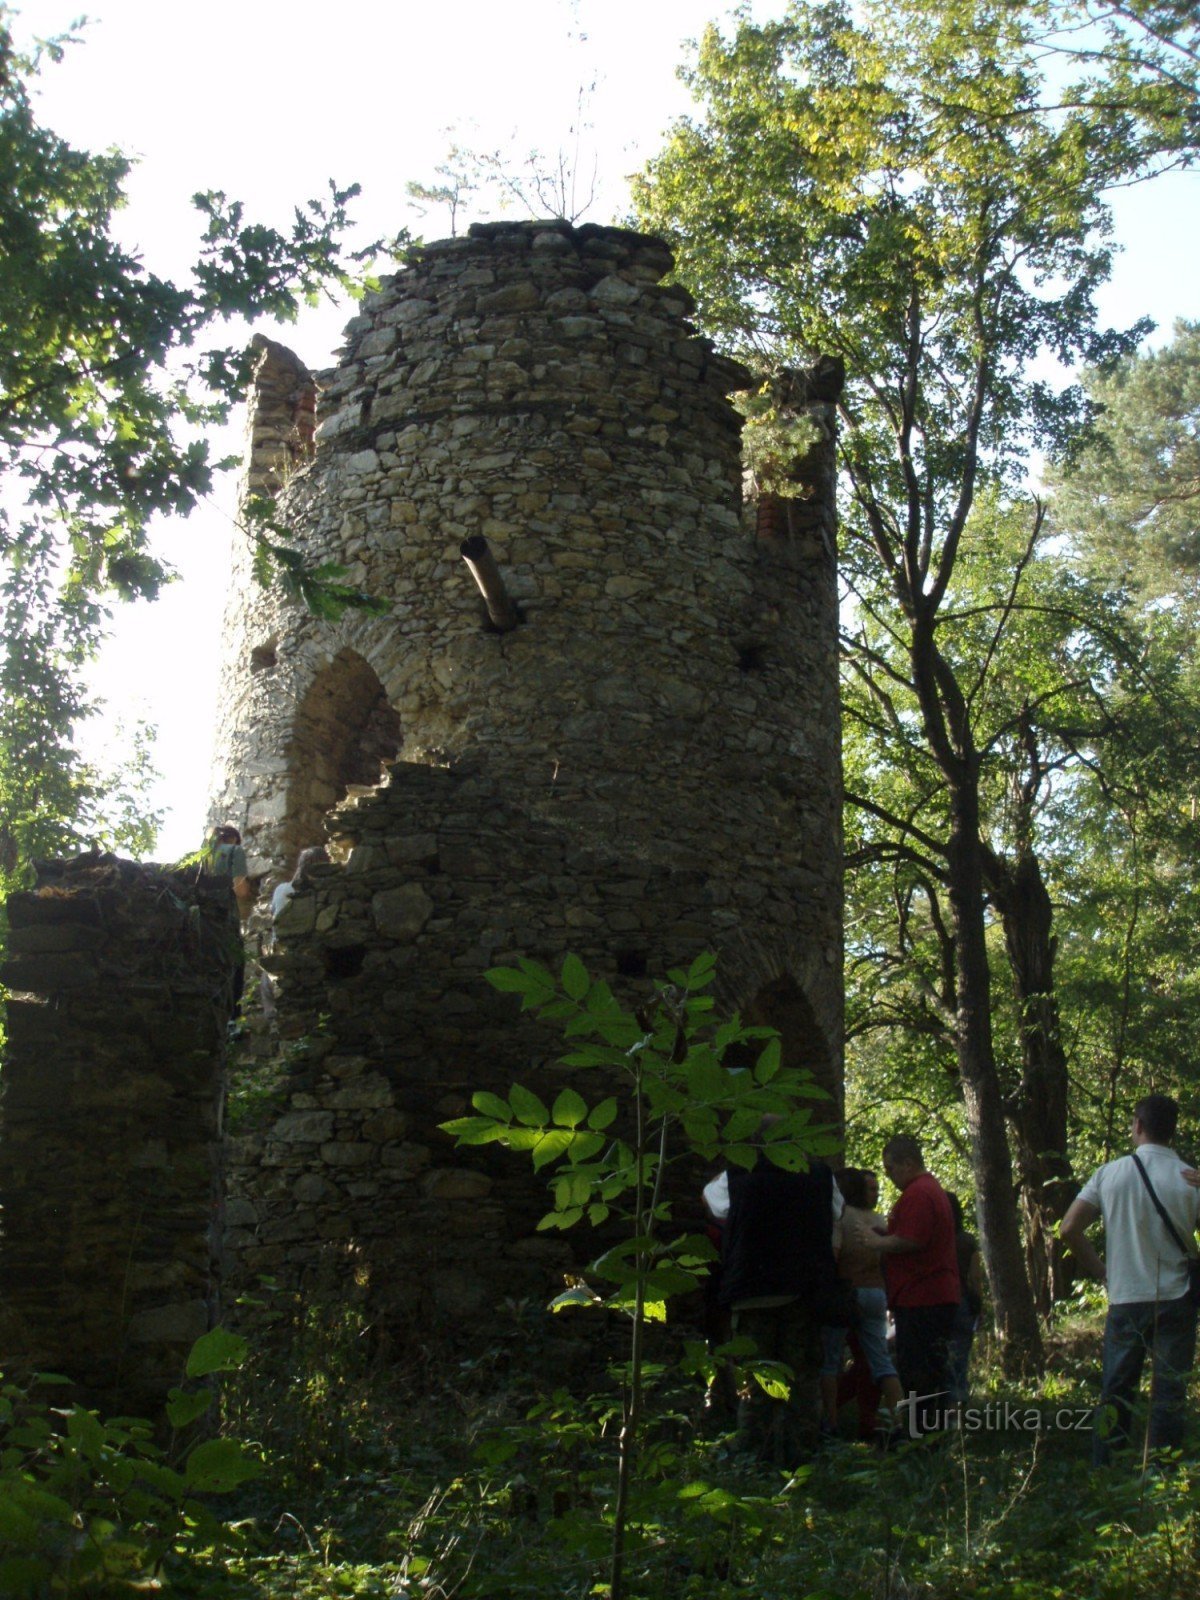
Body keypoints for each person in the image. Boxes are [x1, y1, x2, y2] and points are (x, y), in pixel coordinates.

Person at [1060, 1093, 1200, 1465]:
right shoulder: (1191, 1178)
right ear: (1173, 1130)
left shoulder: (1110, 1174)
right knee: (1169, 1390)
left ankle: (1107, 1467)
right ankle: (1163, 1474)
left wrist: (1102, 1272)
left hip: (1126, 1297)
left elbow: (1069, 1228)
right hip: (1177, 1296)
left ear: (1138, 1125)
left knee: (1117, 1389)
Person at [719, 1122, 843, 1467]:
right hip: (802, 1291)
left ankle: (753, 1459)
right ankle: (800, 1458)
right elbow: (838, 1212)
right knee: (801, 1379)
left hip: (751, 1289)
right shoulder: (819, 1175)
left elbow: (713, 1206)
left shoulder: (736, 1173)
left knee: (757, 1379)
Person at [874, 1134, 960, 1436]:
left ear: (908, 1163)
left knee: (919, 1371)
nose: (889, 1176)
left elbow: (911, 1239)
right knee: (926, 1369)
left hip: (923, 1297)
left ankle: (921, 1435)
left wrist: (876, 1241)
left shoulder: (919, 1193)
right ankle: (925, 1432)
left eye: (890, 1169)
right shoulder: (928, 1190)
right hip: (926, 1295)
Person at [820, 1167, 904, 1439]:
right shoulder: (878, 1220)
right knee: (881, 1362)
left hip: (848, 1294)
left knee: (830, 1360)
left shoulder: (841, 1219)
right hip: (876, 1293)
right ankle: (898, 1423)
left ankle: (830, 1423)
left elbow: (834, 1256)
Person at [945, 1191, 984, 1406]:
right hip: (962, 1302)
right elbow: (975, 1277)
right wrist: (979, 1305)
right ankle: (959, 1407)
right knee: (960, 1359)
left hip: (937, 1303)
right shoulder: (967, 1241)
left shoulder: (933, 1240)